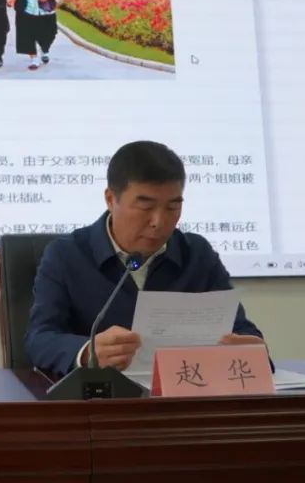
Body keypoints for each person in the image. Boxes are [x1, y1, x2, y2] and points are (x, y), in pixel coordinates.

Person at [25, 141, 266, 375]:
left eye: (172, 207)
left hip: (183, 390)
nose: (158, 222)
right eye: (146, 207)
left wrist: (251, 348)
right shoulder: (67, 255)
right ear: (110, 199)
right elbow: (39, 338)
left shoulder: (197, 254)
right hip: (100, 395)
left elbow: (238, 328)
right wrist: (88, 351)